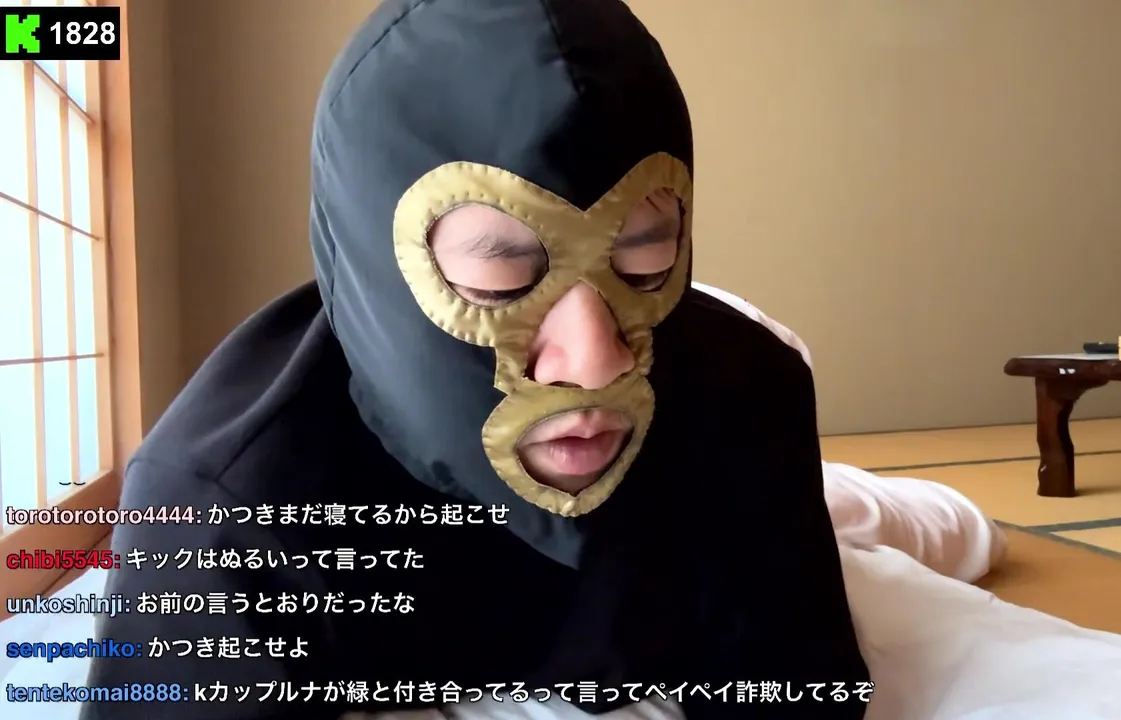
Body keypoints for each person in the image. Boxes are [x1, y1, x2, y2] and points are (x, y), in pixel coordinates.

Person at [82, 0, 872, 717]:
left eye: (643, 257)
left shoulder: (748, 397)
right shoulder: (229, 500)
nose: (595, 362)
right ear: (376, 255)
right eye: (503, 275)